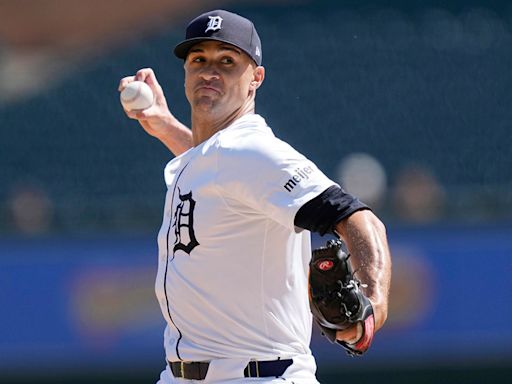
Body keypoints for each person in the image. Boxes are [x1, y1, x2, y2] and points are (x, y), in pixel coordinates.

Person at [119, 9, 391, 384]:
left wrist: (374, 303)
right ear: (185, 73)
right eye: (199, 59)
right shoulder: (214, 158)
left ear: (255, 78)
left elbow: (358, 218)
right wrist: (165, 126)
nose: (209, 71)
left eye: (227, 61)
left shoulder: (253, 150)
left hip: (258, 375)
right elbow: (218, 173)